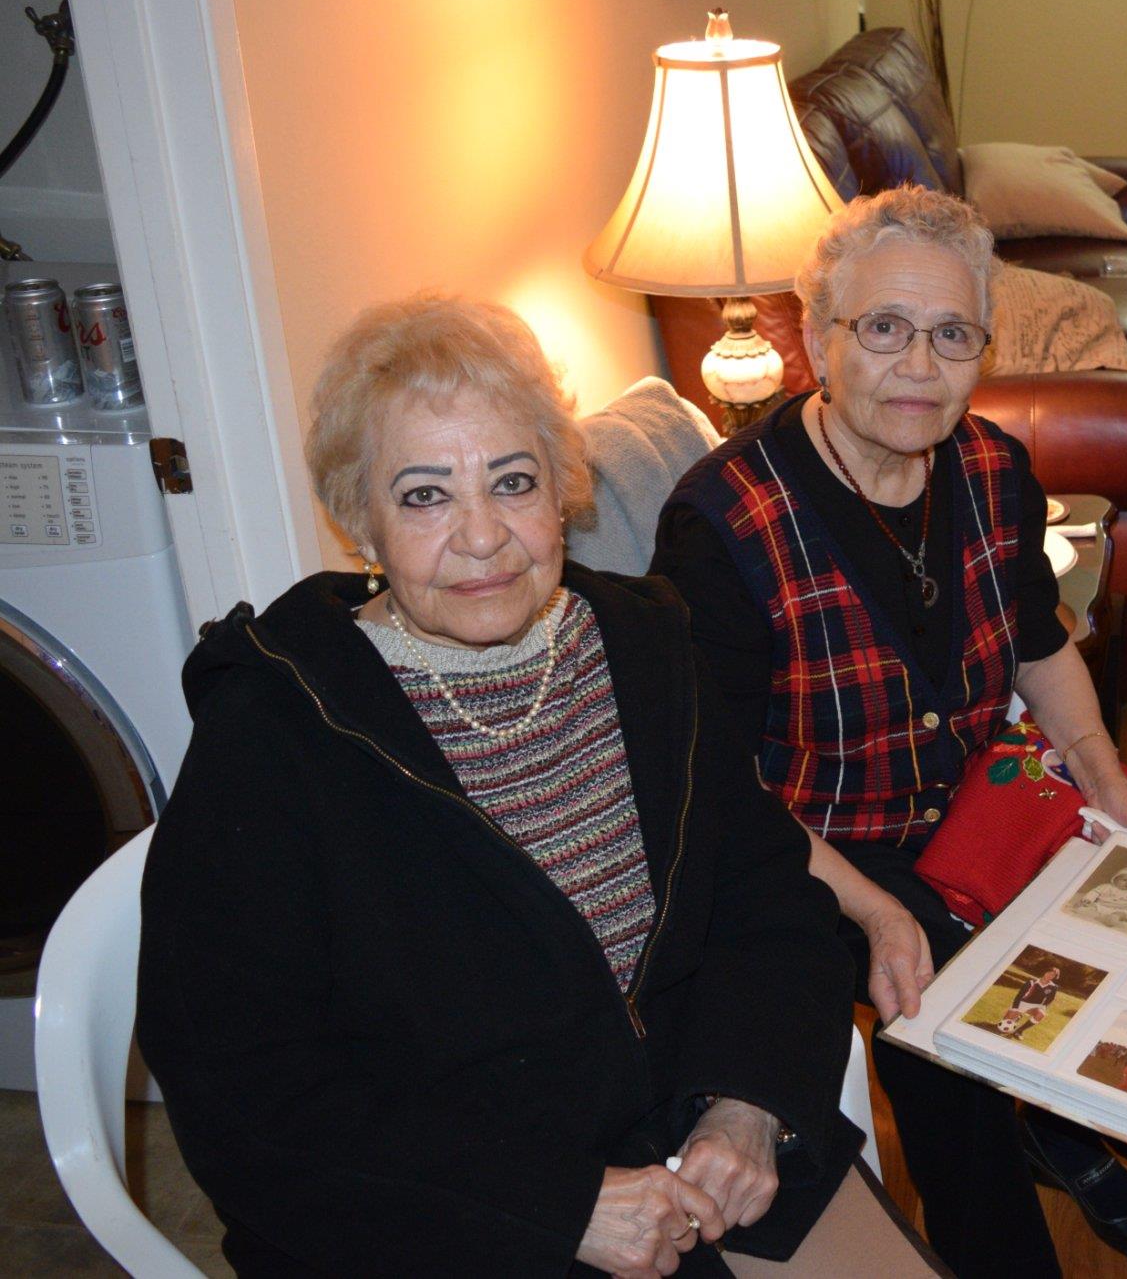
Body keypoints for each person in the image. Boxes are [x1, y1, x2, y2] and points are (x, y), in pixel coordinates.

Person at [134, 296, 936, 1277]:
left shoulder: (648, 649)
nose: (481, 536)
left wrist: (747, 1105)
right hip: (435, 1228)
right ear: (358, 518)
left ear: (562, 490)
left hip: (689, 1174)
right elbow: (247, 1098)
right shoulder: (274, 734)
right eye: (425, 494)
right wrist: (557, 1208)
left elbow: (766, 898)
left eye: (512, 482)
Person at [652, 185, 1127, 1273]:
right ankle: (1005, 1235)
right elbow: (715, 789)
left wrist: (1096, 768)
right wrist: (874, 904)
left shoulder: (992, 467)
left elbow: (1036, 640)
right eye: (882, 329)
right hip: (808, 851)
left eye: (951, 336)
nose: (918, 367)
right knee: (946, 1023)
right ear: (813, 336)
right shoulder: (722, 523)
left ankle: (1064, 1130)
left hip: (975, 807)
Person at [1070, 864, 1127, 928]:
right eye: (1124, 880)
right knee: (1087, 907)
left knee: (1121, 914)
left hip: (1119, 909)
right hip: (1101, 905)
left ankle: (1111, 919)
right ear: (1115, 879)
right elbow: (1094, 892)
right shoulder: (1106, 887)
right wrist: (1088, 900)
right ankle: (1096, 915)